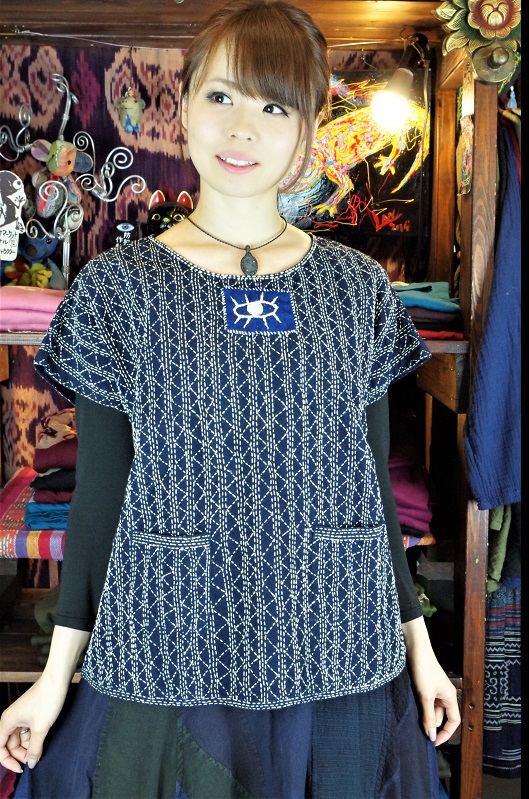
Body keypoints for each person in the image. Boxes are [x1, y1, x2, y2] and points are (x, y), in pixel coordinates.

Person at [0, 1, 460, 796]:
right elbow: (101, 494)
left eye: (274, 107)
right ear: (184, 107)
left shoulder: (356, 290)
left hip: (335, 636)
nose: (243, 128)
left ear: (307, 131)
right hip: (170, 630)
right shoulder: (119, 289)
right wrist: (53, 677)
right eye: (221, 96)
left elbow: (370, 489)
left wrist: (420, 649)